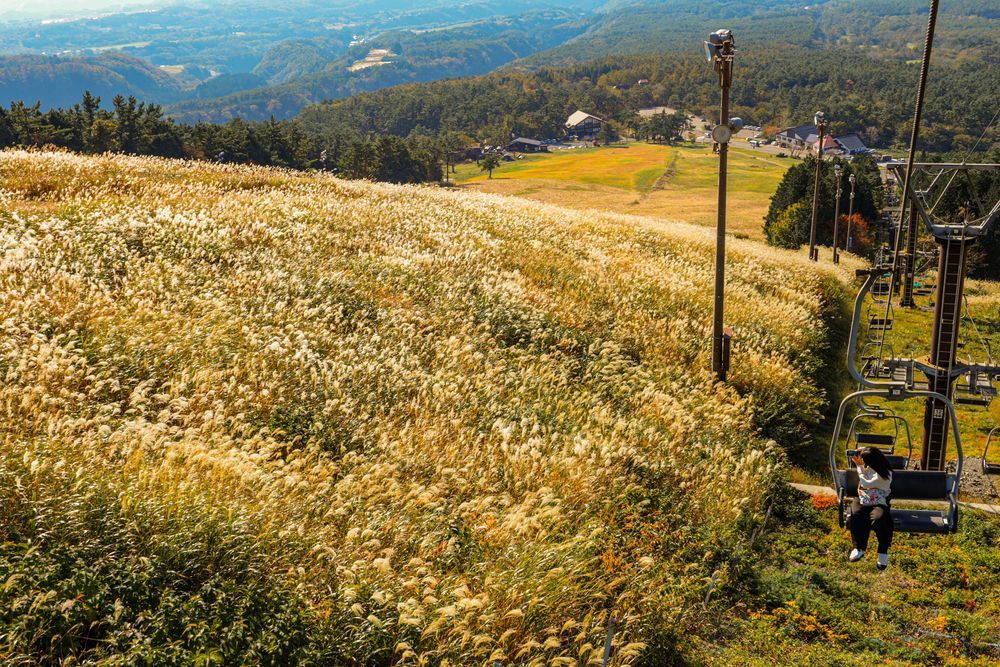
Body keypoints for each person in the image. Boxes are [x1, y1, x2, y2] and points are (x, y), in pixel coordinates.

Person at [847, 446, 893, 570]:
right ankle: (858, 547)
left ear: (874, 461)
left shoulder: (885, 474)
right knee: (856, 514)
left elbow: (866, 483)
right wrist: (862, 450)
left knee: (878, 519)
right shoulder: (870, 465)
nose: (864, 462)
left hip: (878, 500)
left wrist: (859, 467)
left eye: (866, 460)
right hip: (863, 497)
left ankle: (883, 552)